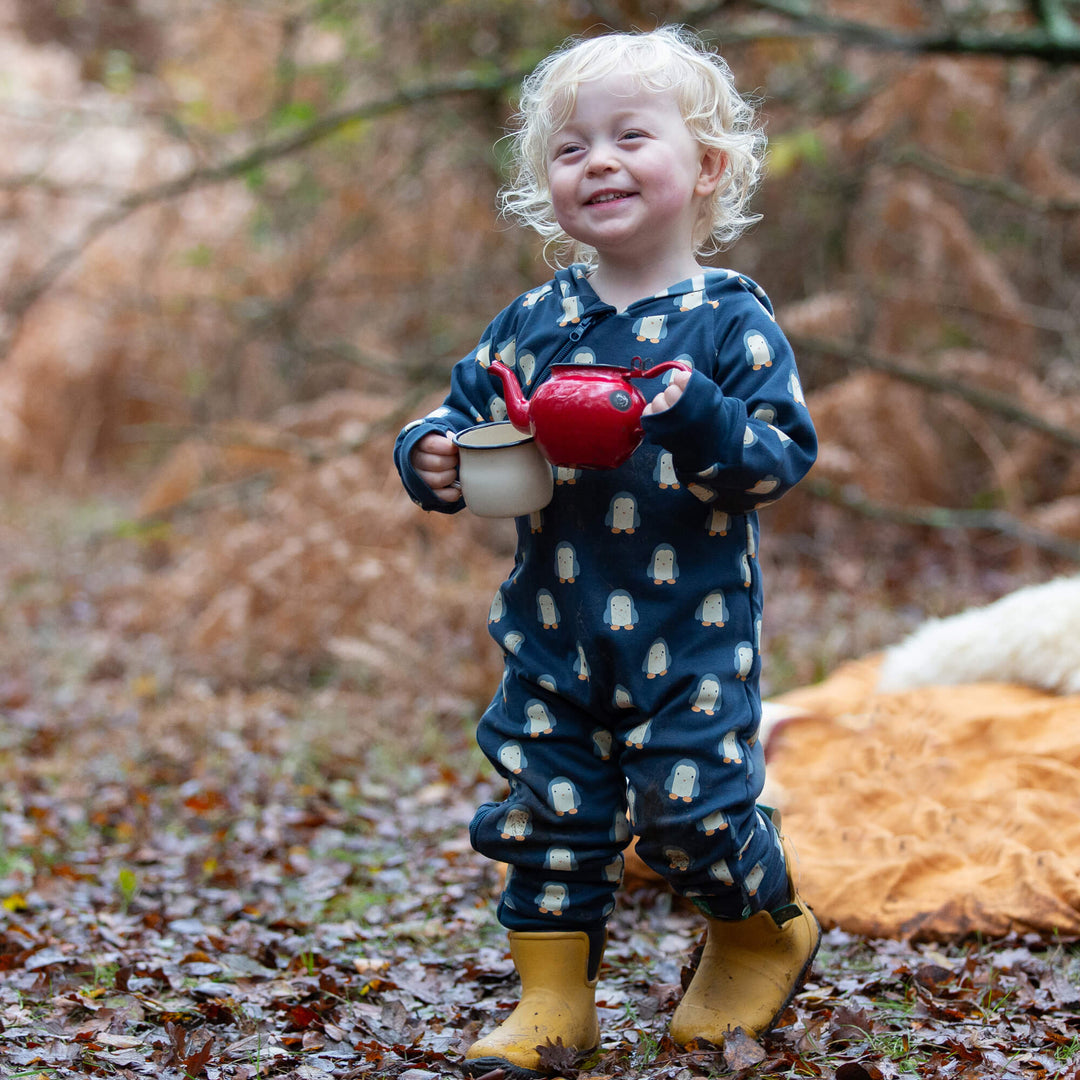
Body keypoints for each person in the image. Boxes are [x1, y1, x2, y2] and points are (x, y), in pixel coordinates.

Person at [394, 25, 820, 1078]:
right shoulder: (534, 321)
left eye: (632, 136)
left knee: (691, 809)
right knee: (546, 810)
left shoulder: (729, 323)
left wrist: (698, 415)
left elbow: (777, 458)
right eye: (571, 147)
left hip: (692, 631)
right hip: (552, 627)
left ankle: (760, 934)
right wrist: (430, 453)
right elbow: (461, 411)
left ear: (706, 167)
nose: (599, 162)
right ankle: (554, 1001)